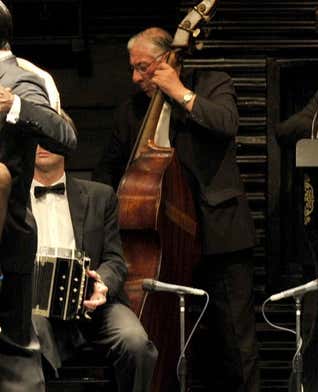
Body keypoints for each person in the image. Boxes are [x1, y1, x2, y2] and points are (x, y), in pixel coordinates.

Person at [92, 27, 259, 391]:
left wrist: (179, 93)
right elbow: (106, 171)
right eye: (133, 69)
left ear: (170, 60)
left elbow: (227, 123)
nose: (136, 78)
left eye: (144, 68)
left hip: (220, 238)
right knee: (169, 343)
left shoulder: (213, 82)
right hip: (161, 248)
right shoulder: (130, 111)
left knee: (235, 346)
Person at [30, 143, 158, 392]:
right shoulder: (11, 197)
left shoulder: (101, 196)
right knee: (31, 334)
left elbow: (115, 259)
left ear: (66, 143)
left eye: (50, 138)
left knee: (137, 344)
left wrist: (102, 284)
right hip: (36, 307)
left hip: (94, 304)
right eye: (36, 138)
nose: (42, 146)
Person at [0, 1, 77, 390]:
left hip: (5, 239)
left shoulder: (22, 77)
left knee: (15, 358)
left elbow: (65, 136)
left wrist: (15, 105)